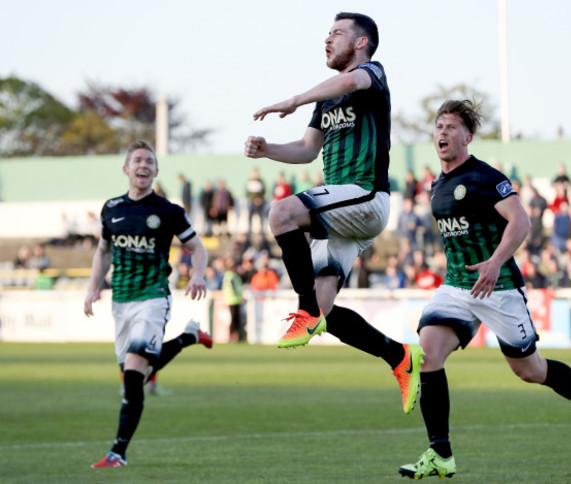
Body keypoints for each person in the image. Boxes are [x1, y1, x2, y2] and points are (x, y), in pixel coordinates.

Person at [398, 100, 571, 480]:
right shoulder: (437, 185)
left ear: (468, 137)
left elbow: (520, 221)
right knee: (429, 351)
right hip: (457, 286)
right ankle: (441, 453)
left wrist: (496, 260)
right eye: (438, 125)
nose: (442, 132)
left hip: (498, 287)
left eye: (452, 126)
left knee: (530, 371)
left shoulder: (485, 177)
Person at [244, 12, 424, 414]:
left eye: (337, 33)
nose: (327, 40)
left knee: (281, 213)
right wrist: (268, 149)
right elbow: (308, 150)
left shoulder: (372, 73)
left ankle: (304, 309)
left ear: (361, 43)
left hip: (363, 196)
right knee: (325, 310)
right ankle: (399, 356)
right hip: (341, 210)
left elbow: (348, 81)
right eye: (327, 33)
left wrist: (293, 99)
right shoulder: (326, 97)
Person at [84, 140, 213, 468]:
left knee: (132, 377)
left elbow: (198, 248)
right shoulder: (111, 209)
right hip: (121, 302)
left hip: (153, 298)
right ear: (126, 169)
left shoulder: (169, 211)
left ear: (156, 171)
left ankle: (118, 453)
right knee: (135, 376)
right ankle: (189, 337)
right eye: (137, 160)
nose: (143, 166)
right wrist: (92, 288)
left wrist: (198, 275)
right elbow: (102, 252)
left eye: (149, 162)